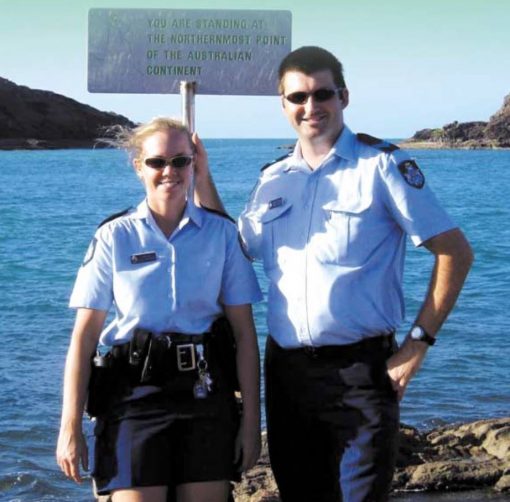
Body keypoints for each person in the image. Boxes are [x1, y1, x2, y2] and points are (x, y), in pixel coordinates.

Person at [195, 46, 474, 501]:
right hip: (286, 375)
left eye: (322, 93)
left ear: (343, 96)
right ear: (282, 104)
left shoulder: (382, 166)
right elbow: (236, 247)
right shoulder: (273, 178)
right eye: (297, 97)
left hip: (362, 372)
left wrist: (417, 345)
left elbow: (455, 252)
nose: (311, 107)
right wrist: (201, 177)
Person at [56, 117, 262, 502]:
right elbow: (83, 340)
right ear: (139, 166)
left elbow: (245, 337)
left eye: (181, 161)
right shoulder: (114, 237)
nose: (170, 171)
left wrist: (251, 422)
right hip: (133, 398)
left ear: (195, 165)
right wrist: (70, 426)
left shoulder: (221, 235)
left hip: (205, 394)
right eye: (157, 162)